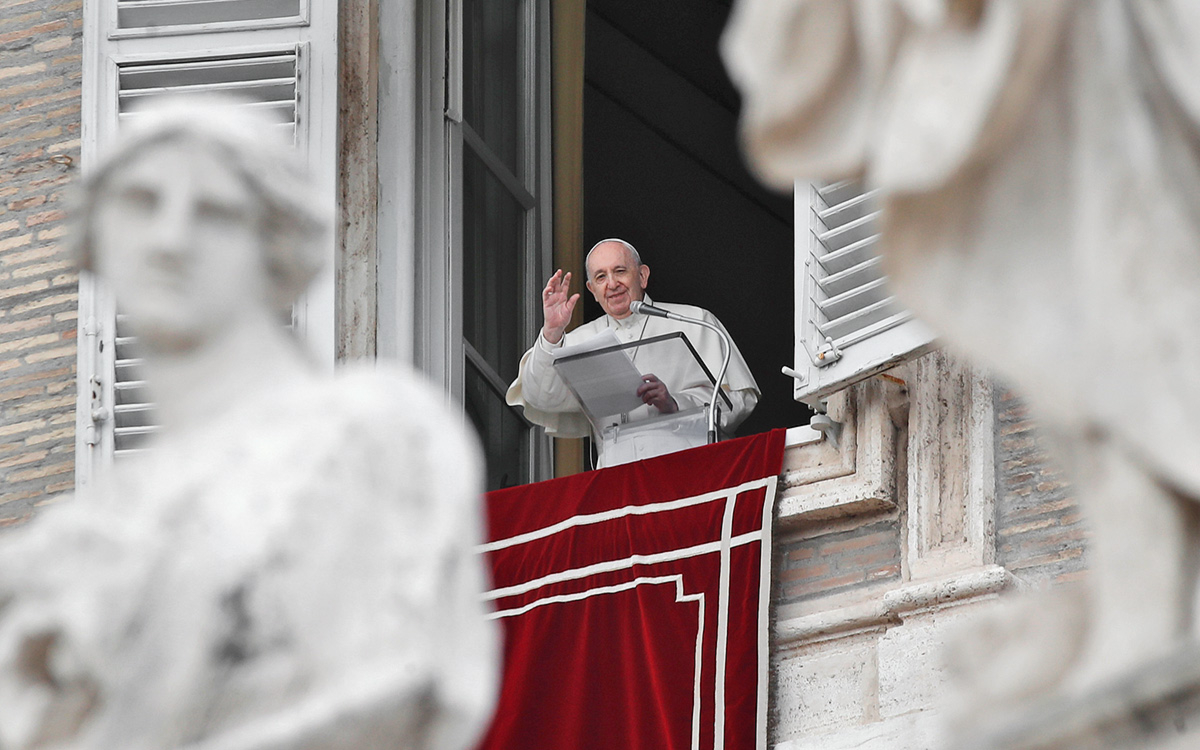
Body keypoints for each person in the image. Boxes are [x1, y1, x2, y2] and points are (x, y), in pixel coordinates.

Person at [0, 99, 497, 750]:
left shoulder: (366, 429)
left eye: (216, 212)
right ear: (94, 233)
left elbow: (383, 694)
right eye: (141, 201)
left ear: (278, 245)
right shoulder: (68, 539)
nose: (170, 239)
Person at [506, 239, 759, 464]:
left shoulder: (693, 320)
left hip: (689, 464)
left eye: (620, 271)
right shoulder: (577, 341)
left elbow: (741, 400)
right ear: (592, 289)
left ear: (642, 276)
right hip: (617, 475)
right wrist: (551, 332)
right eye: (601, 277)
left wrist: (675, 403)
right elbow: (540, 395)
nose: (612, 284)